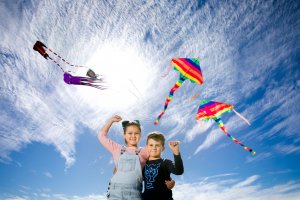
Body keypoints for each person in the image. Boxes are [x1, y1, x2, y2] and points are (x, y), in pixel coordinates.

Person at [98, 115, 174, 200]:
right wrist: (111, 120)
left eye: (136, 133)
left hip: (135, 195)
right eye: (130, 133)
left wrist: (170, 180)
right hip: (115, 194)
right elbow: (101, 136)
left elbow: (157, 165)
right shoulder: (117, 148)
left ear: (140, 135)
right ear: (124, 135)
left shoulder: (145, 151)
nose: (133, 136)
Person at [142, 132, 184, 200]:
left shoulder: (166, 162)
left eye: (157, 145)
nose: (154, 148)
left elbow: (179, 171)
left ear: (163, 148)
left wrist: (176, 152)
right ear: (146, 147)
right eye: (151, 145)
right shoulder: (143, 164)